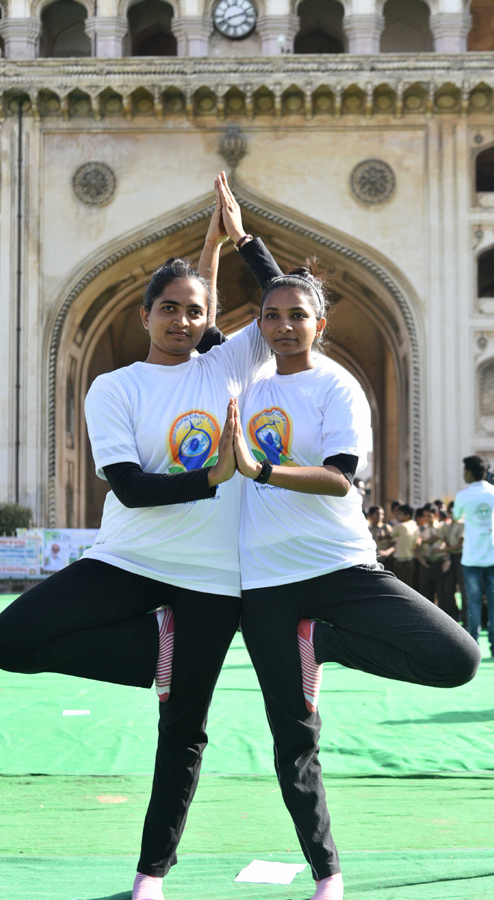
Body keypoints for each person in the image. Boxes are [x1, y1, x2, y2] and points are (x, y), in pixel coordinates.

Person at [0, 173, 281, 900]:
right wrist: (212, 479)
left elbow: (283, 308)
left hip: (213, 578)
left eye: (194, 312)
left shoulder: (231, 363)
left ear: (207, 319)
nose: (182, 321)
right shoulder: (116, 387)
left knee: (183, 731)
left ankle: (151, 875)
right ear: (145, 313)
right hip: (129, 558)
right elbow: (131, 486)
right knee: (9, 641)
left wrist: (240, 242)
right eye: (169, 310)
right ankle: (157, 652)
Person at [227, 258, 481, 900]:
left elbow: (341, 476)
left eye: (298, 316)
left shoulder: (338, 387)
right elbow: (198, 316)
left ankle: (327, 643)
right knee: (294, 739)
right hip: (263, 583)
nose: (284, 326)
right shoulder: (243, 382)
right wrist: (237, 243)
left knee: (458, 658)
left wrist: (259, 469)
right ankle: (327, 873)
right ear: (258, 324)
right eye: (272, 316)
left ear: (320, 324)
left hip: (341, 567)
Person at [454, 455, 494, 653]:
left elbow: (455, 515)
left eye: (464, 470)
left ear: (469, 471)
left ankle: (472, 646)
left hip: (471, 557)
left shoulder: (463, 495)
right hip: (492, 555)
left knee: (473, 603)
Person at [414, 506, 454, 619]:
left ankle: (444, 619)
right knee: (425, 593)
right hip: (426, 563)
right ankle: (428, 618)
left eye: (429, 516)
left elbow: (448, 544)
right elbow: (416, 547)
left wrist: (447, 559)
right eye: (425, 516)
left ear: (436, 515)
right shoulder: (421, 529)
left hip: (439, 563)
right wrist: (421, 560)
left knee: (442, 593)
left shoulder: (442, 528)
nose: (427, 518)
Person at [388, 504, 419, 587]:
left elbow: (391, 535)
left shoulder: (399, 526)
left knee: (399, 586)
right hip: (410, 560)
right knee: (409, 585)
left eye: (400, 514)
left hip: (400, 561)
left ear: (407, 515)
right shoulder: (414, 525)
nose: (397, 516)